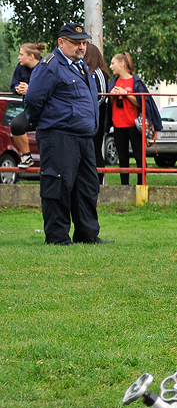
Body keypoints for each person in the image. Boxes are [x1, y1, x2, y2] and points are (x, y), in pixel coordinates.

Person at [23, 23, 110, 245]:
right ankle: (57, 237)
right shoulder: (49, 66)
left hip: (84, 137)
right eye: (76, 42)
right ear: (61, 42)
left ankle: (87, 234)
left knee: (87, 187)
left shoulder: (81, 66)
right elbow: (33, 99)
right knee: (58, 186)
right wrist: (42, 122)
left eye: (84, 43)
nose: (81, 47)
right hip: (59, 135)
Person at [107, 52, 162, 186]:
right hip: (118, 126)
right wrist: (112, 95)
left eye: (113, 63)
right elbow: (109, 105)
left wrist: (126, 94)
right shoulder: (113, 83)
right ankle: (124, 187)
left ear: (122, 64)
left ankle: (141, 185)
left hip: (134, 125)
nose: (110, 66)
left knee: (139, 157)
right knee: (122, 158)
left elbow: (143, 103)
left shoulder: (136, 82)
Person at [9, 42, 46, 168]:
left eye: (21, 55)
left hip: (47, 111)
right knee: (16, 125)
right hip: (30, 110)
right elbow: (13, 85)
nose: (18, 58)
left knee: (44, 134)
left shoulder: (46, 68)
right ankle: (26, 156)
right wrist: (17, 89)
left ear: (31, 56)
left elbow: (49, 89)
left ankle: (49, 161)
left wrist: (30, 90)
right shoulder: (20, 67)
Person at [85, 44, 111, 185]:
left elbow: (101, 95)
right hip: (86, 116)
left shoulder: (98, 72)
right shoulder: (84, 71)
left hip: (96, 116)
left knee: (95, 147)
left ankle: (99, 181)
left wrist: (88, 106)